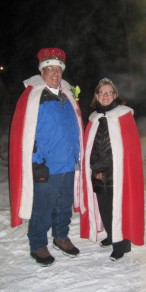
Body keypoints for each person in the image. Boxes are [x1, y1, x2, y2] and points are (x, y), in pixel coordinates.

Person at [9, 48, 84, 267]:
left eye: (58, 69)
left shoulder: (68, 97)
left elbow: (76, 128)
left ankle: (61, 236)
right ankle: (38, 244)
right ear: (42, 72)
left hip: (68, 164)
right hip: (46, 166)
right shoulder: (34, 97)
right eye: (49, 69)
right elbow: (26, 132)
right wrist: (36, 161)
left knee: (63, 206)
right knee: (42, 207)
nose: (55, 73)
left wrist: (77, 155)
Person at [80, 78, 144, 261]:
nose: (105, 95)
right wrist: (94, 169)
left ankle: (121, 245)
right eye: (102, 92)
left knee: (119, 208)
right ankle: (111, 235)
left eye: (109, 92)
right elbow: (91, 147)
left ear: (115, 95)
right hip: (98, 174)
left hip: (118, 174)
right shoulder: (93, 119)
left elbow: (124, 149)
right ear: (96, 96)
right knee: (105, 208)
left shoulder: (124, 116)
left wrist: (100, 168)